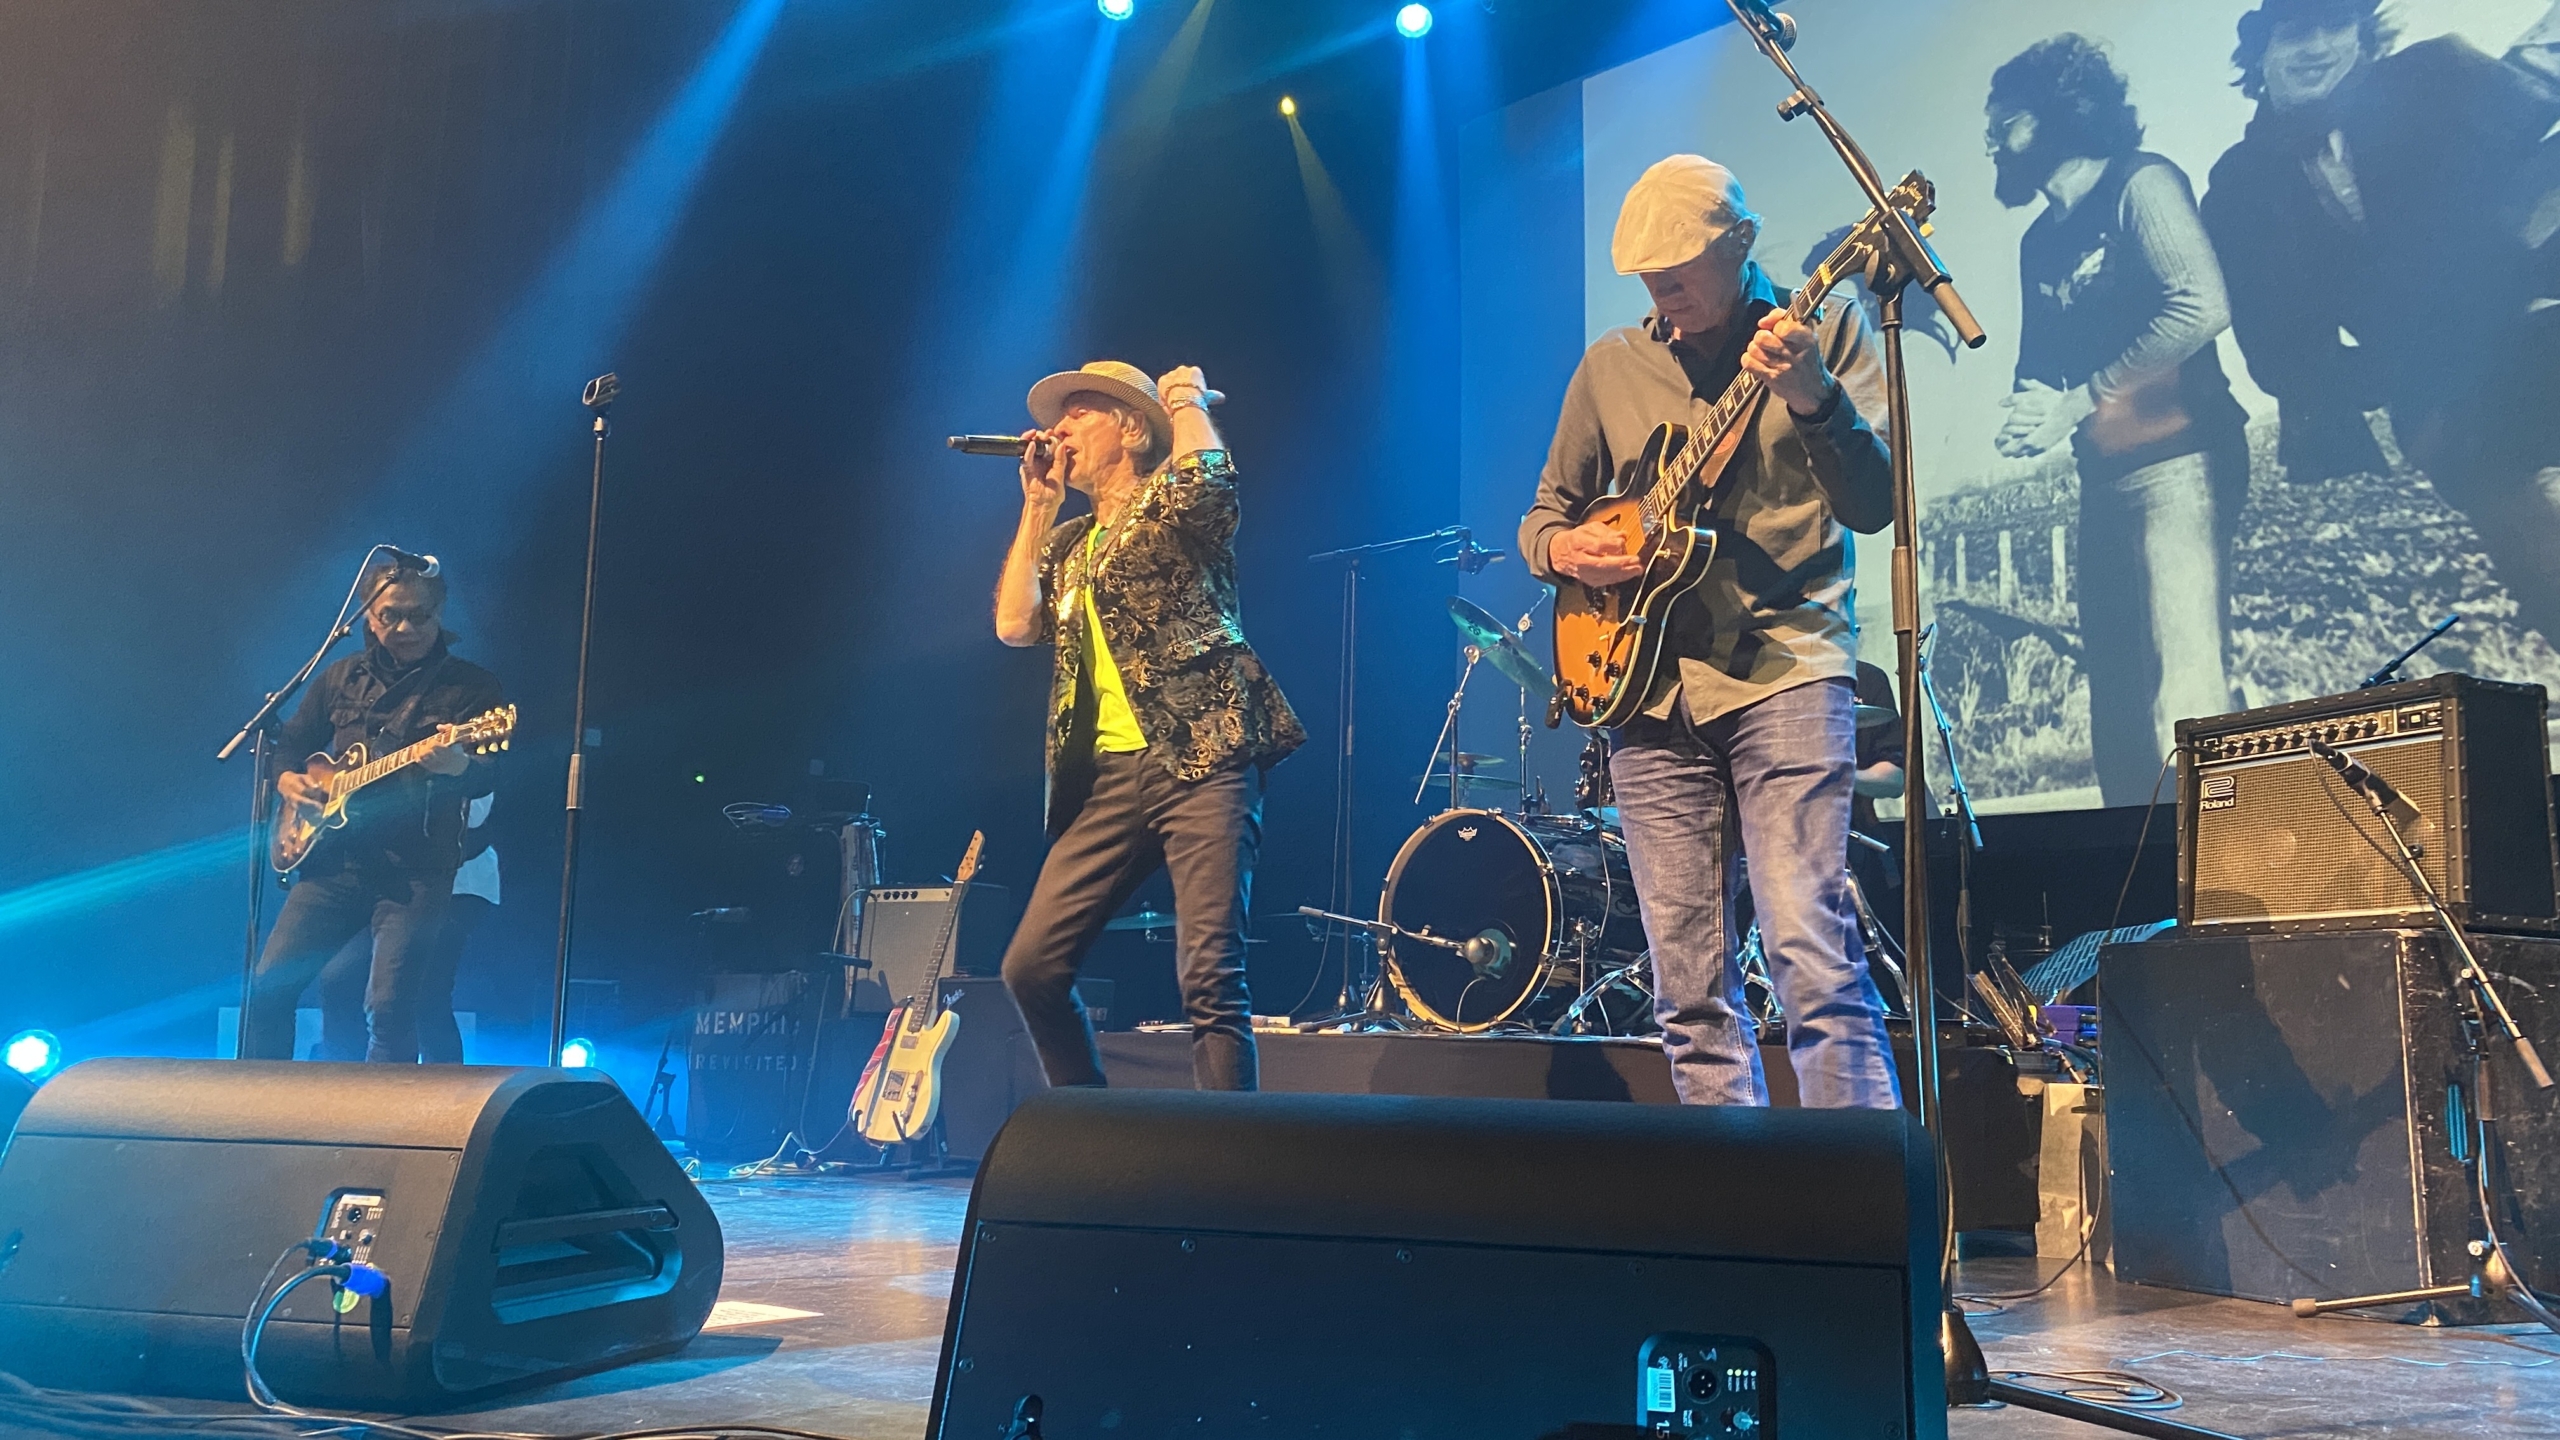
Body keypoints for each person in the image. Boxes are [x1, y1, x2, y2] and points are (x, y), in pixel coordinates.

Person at [1520, 155, 1901, 1109]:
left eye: (1678, 277)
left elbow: (1872, 502)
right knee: (1687, 986)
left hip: (1786, 667)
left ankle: (1858, 1208)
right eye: (1648, 283)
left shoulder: (1827, 330)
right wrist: (1571, 553)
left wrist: (1814, 396)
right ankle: (1744, 1217)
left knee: (1809, 948)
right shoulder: (1614, 365)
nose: (1662, 298)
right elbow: (1542, 516)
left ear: (1739, 249)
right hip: (1646, 691)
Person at [2201, 0, 2560, 649]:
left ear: (2364, 37)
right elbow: (2275, 341)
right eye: (2295, 32)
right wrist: (2385, 388)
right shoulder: (2238, 185)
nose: (2315, 47)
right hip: (2449, 407)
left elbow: (2534, 116)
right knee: (2542, 564)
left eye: (2334, 26)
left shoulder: (2438, 73)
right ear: (2259, 54)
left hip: (2537, 336)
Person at [992, 361, 1304, 1091]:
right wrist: (1038, 507)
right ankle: (1090, 1133)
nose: (1060, 429)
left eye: (1080, 414)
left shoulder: (1172, 505)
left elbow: (1210, 482)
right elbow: (1014, 623)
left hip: (1203, 757)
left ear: (1130, 429)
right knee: (1031, 966)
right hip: (1110, 781)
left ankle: (1231, 1178)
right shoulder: (1071, 546)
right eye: (1058, 417)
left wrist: (1184, 399)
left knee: (1211, 980)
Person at [1986, 34, 2250, 805]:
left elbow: (2202, 306)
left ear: (2060, 117)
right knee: (2120, 704)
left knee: (2186, 687)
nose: (1993, 140)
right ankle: (2137, 890)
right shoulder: (2040, 241)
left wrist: (2077, 399)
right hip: (2102, 478)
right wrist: (2028, 409)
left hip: (2184, 464)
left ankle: (2226, 886)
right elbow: (2041, 362)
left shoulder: (2143, 185)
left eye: (2008, 121)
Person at [244, 558, 504, 1062]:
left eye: (419, 616)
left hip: (416, 871)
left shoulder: (472, 689)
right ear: (368, 615)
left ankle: (388, 1134)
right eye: (391, 616)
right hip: (332, 863)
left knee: (389, 1009)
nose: (404, 628)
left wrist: (455, 767)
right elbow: (292, 744)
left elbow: (493, 775)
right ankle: (261, 1122)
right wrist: (290, 783)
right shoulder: (340, 677)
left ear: (440, 613)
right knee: (269, 988)